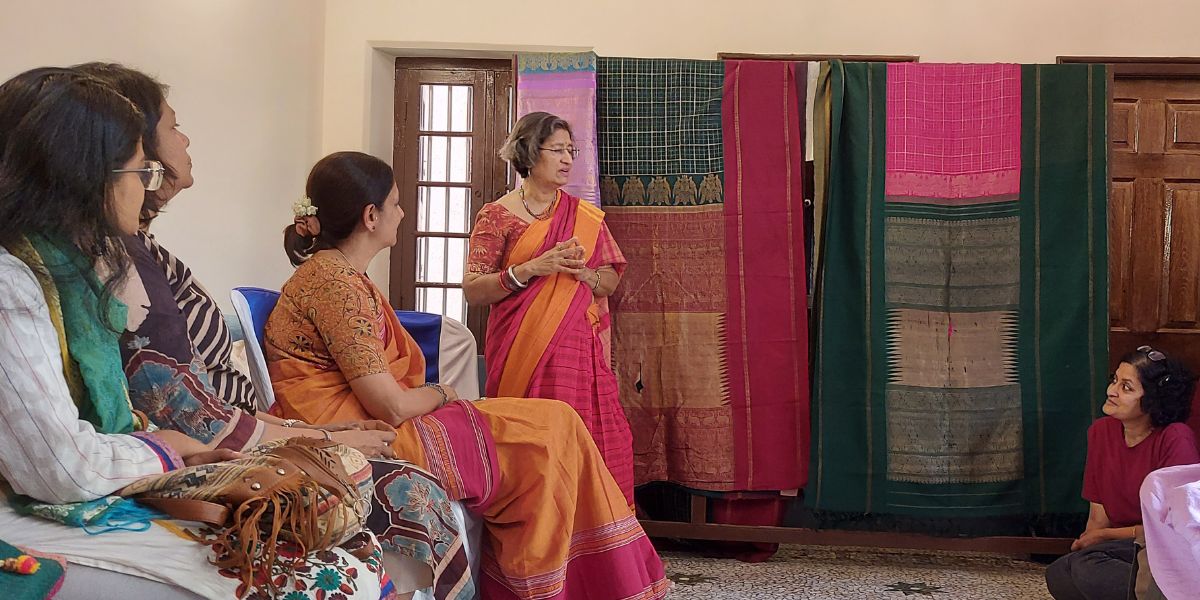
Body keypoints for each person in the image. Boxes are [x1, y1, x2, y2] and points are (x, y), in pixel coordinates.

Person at [75, 62, 472, 599]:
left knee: (526, 432)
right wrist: (321, 435)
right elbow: (184, 412)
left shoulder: (145, 254)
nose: (184, 138)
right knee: (426, 477)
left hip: (247, 426)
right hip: (212, 446)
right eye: (172, 126)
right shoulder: (123, 263)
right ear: (133, 153)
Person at [0, 67, 390, 600]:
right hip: (38, 502)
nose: (150, 184)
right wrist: (167, 449)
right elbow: (62, 465)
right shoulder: (14, 283)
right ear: (89, 175)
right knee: (316, 575)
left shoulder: (69, 270)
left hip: (109, 467)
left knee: (343, 549)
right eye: (143, 170)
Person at [266, 151, 670, 600]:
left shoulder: (344, 277)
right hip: (371, 431)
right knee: (547, 437)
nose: (403, 212)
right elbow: (392, 405)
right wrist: (443, 392)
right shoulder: (333, 284)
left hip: (392, 418)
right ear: (370, 215)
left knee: (557, 423)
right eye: (396, 203)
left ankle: (567, 582)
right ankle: (554, 587)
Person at [463, 111, 634, 503]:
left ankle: (595, 548)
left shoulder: (583, 216)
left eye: (570, 150)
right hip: (521, 352)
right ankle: (534, 547)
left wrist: (582, 273)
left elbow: (609, 280)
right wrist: (530, 269)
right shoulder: (497, 215)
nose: (567, 159)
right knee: (531, 449)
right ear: (528, 152)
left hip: (579, 358)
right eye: (557, 150)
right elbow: (474, 290)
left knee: (597, 443)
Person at [1045, 346, 1200, 600]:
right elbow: (1098, 520)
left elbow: (1177, 529)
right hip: (1122, 549)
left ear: (1152, 399)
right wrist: (1089, 541)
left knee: (1085, 569)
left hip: (1160, 548)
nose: (1111, 391)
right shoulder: (1101, 431)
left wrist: (1102, 537)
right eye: (1114, 380)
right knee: (1060, 573)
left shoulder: (1175, 438)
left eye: (1126, 387)